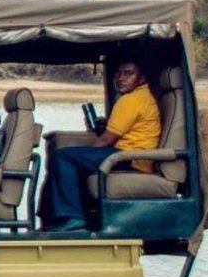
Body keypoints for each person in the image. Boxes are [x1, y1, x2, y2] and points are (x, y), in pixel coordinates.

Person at [42, 61, 161, 232]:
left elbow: (105, 140)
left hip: (130, 158)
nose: (121, 78)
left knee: (62, 157)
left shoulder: (131, 99)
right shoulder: (143, 97)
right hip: (129, 156)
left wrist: (87, 154)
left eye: (128, 74)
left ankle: (73, 217)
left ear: (141, 79)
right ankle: (56, 218)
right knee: (69, 158)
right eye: (118, 74)